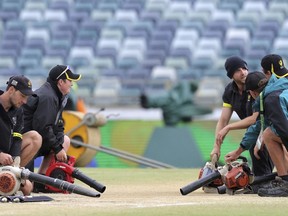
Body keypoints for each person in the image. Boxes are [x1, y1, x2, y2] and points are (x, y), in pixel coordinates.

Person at [210, 56, 273, 178]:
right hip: (255, 130)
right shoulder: (229, 91)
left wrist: (229, 128)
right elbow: (223, 120)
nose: (243, 72)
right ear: (230, 75)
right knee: (259, 173)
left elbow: (255, 118)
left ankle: (267, 181)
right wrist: (216, 147)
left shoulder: (255, 83)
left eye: (244, 68)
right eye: (238, 70)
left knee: (264, 172)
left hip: (269, 128)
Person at [229, 71, 288, 197]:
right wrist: (238, 151)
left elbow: (284, 131)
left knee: (270, 135)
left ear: (252, 92)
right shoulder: (279, 87)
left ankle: (286, 184)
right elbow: (258, 126)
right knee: (269, 133)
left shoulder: (271, 100)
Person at [22, 65, 81, 192]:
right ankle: (31, 180)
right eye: (70, 80)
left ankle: (41, 180)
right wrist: (57, 149)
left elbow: (58, 125)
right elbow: (43, 128)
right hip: (24, 142)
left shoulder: (58, 95)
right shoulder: (48, 96)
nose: (72, 84)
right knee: (26, 188)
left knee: (64, 140)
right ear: (60, 82)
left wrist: (59, 146)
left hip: (37, 139)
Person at [0, 75, 42, 195]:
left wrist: (15, 165)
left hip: (6, 160)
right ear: (11, 90)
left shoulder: (19, 111)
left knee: (35, 138)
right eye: (23, 96)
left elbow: (17, 138)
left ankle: (10, 176)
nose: (24, 101)